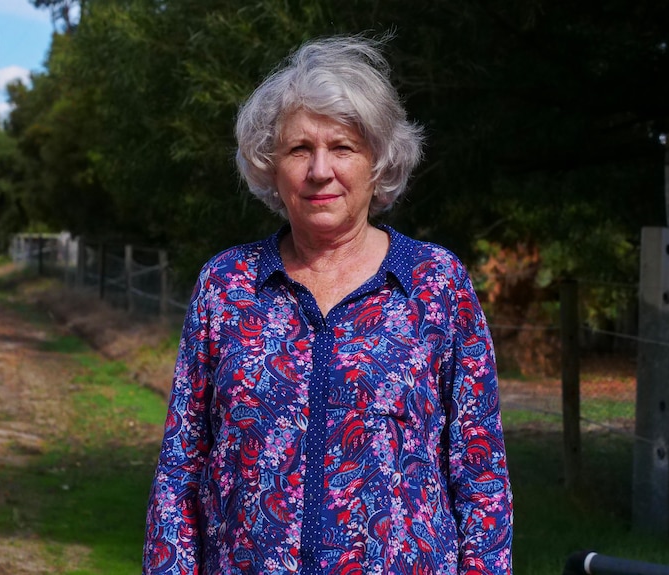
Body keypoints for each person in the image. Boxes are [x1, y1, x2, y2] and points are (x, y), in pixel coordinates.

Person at [143, 35, 513, 575]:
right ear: (270, 166)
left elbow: (480, 475)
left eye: (343, 147)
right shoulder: (226, 285)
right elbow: (181, 467)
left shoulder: (435, 284)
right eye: (299, 150)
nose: (320, 171)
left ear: (377, 162)